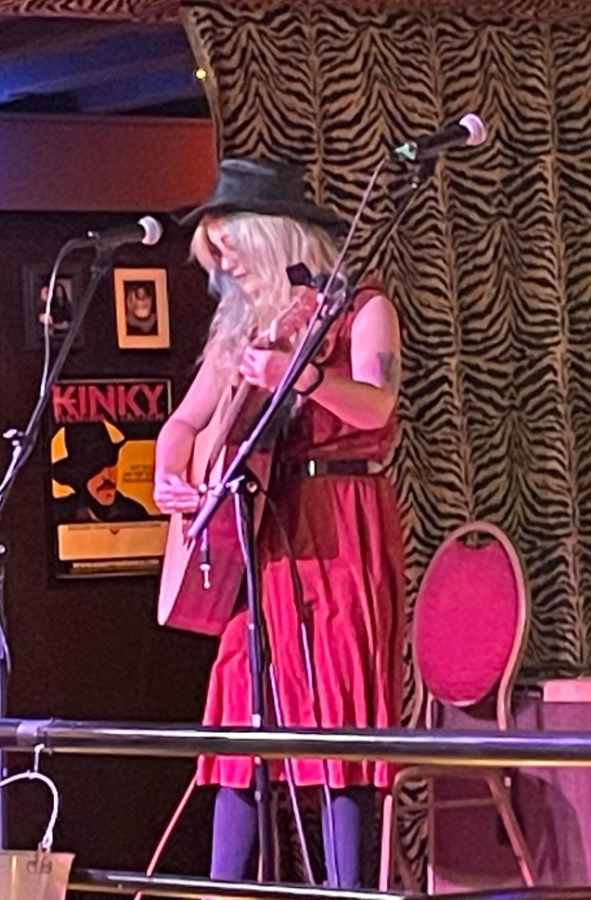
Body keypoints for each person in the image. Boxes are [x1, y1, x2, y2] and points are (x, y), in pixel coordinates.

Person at [154, 158, 405, 888]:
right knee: (244, 704)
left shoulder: (361, 308)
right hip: (262, 528)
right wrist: (172, 473)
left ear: (272, 236)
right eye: (214, 257)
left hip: (341, 518)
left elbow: (377, 405)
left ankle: (348, 888)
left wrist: (305, 376)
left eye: (230, 249)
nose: (225, 269)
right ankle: (225, 888)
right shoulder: (237, 330)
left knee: (338, 704)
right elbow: (184, 423)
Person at [53, 422, 149, 523]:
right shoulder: (61, 514)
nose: (107, 475)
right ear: (80, 476)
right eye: (96, 468)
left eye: (111, 463)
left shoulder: (134, 514)